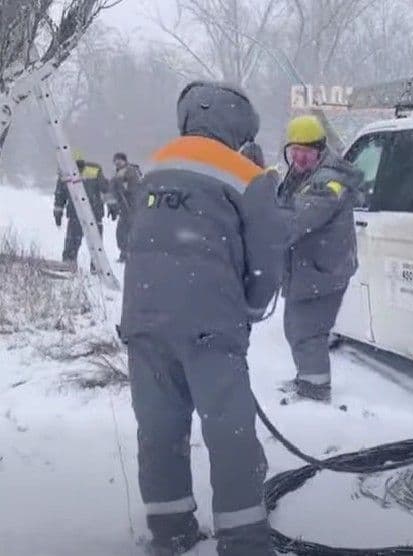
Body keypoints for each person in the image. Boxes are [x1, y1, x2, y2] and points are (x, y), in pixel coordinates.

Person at [119, 81, 285, 556]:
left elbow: (133, 237)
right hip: (210, 325)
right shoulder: (248, 175)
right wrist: (251, 306)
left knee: (159, 429)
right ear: (239, 127)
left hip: (145, 322)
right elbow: (267, 256)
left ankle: (170, 532)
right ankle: (244, 540)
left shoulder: (152, 166)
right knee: (229, 431)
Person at [278, 115, 360, 402]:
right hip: (309, 267)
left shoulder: (328, 183)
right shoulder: (301, 175)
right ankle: (306, 378)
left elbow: (296, 219)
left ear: (320, 150)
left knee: (307, 331)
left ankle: (315, 390)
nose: (299, 157)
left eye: (306, 151)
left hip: (323, 270)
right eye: (294, 151)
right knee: (296, 327)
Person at [53, 150, 107, 268]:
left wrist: (113, 205)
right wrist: (58, 212)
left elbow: (106, 189)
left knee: (95, 243)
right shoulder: (65, 173)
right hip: (76, 213)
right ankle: (69, 264)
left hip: (94, 213)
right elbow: (60, 195)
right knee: (73, 241)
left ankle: (97, 267)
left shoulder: (94, 170)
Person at [107, 152, 142, 263]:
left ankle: (130, 254)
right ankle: (125, 253)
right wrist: (113, 206)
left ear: (124, 161)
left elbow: (134, 190)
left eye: (119, 160)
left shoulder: (131, 172)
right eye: (115, 161)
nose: (117, 163)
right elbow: (112, 191)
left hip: (132, 208)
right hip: (124, 209)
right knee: (122, 233)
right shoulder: (117, 174)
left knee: (128, 232)